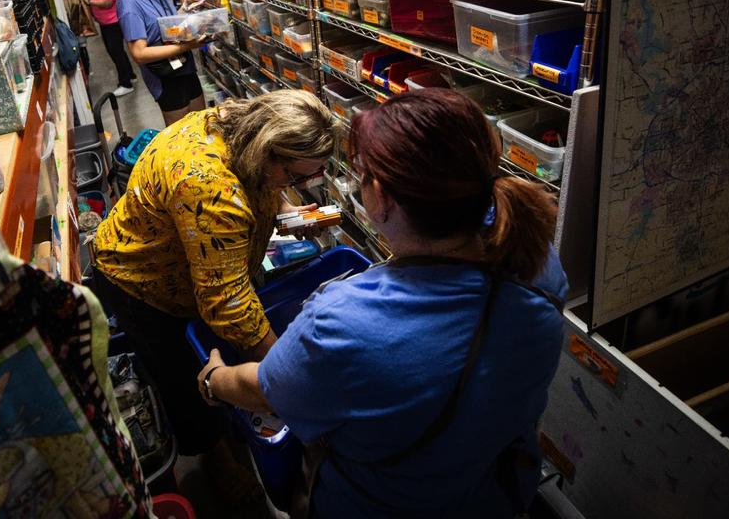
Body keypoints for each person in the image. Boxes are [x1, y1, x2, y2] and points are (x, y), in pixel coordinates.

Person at [197, 89, 569, 517]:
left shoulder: (342, 321)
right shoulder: (540, 264)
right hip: (493, 492)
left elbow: (265, 391)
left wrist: (214, 381)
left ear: (380, 196)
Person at [92, 90, 335, 470]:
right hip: (143, 283)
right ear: (266, 151)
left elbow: (261, 183)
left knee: (221, 359)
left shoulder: (236, 122)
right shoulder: (210, 188)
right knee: (186, 384)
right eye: (292, 176)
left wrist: (284, 210)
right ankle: (216, 464)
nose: (301, 183)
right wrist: (285, 376)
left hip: (190, 263)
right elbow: (228, 302)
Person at [114, 0, 207, 126]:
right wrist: (186, 47)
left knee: (201, 128)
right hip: (166, 78)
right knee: (181, 139)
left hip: (185, 68)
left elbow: (165, 26)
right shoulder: (129, 1)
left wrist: (183, 9)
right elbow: (139, 53)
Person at [85, 0, 135, 97]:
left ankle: (126, 84)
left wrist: (89, 2)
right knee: (117, 50)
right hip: (104, 21)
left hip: (113, 21)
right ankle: (131, 75)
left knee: (115, 51)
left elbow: (107, 2)